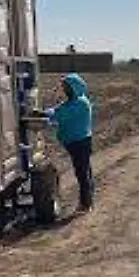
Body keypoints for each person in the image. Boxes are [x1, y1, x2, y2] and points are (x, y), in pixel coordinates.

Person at [46, 73, 94, 212]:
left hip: (80, 143)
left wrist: (44, 114)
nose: (65, 89)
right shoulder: (74, 101)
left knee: (82, 172)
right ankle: (87, 200)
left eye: (66, 87)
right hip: (77, 142)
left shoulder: (79, 103)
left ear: (74, 87)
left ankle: (86, 204)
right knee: (84, 171)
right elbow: (57, 110)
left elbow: (58, 114)